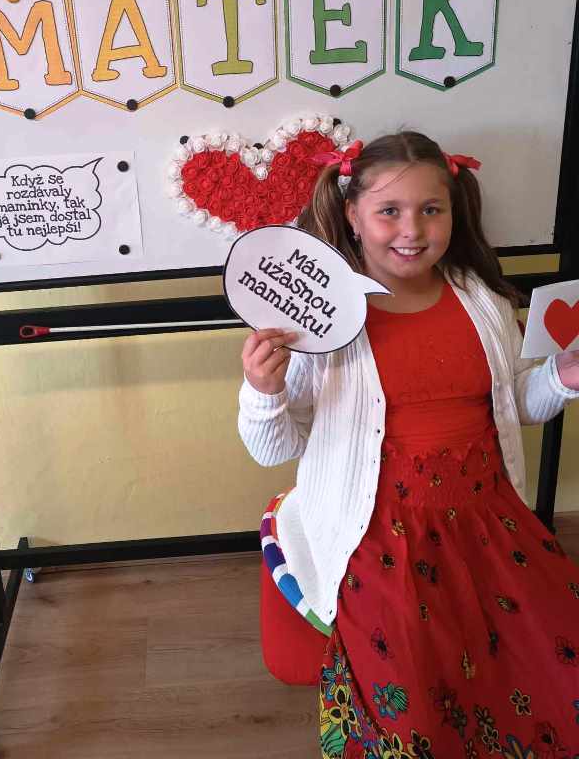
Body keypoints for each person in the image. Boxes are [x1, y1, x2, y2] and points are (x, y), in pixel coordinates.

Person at [238, 131, 579, 759]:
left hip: (487, 520)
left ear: (454, 211)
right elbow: (273, 448)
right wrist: (264, 390)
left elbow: (513, 406)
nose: (412, 230)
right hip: (378, 532)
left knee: (552, 663)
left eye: (431, 209)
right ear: (352, 215)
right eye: (389, 211)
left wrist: (562, 377)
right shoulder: (322, 323)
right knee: (416, 696)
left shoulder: (482, 301)